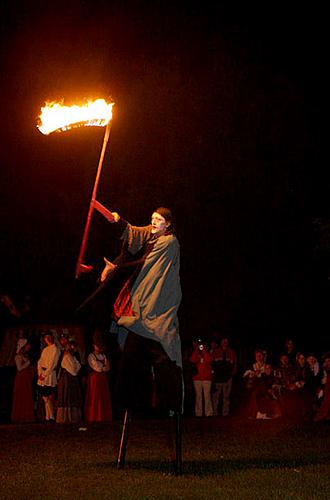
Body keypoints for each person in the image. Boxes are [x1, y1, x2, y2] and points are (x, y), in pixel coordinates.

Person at [101, 207, 183, 415]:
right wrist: (116, 219)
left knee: (163, 356)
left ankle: (172, 405)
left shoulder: (169, 242)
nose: (154, 222)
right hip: (141, 315)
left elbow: (145, 263)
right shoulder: (152, 237)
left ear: (169, 224)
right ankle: (129, 405)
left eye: (158, 219)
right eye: (152, 218)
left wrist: (116, 269)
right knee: (129, 358)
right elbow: (133, 233)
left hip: (158, 311)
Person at [84, 341, 112, 423]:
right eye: (97, 346)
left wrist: (103, 367)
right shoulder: (91, 356)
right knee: (95, 397)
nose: (99, 347)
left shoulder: (103, 355)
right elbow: (98, 368)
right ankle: (95, 416)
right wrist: (103, 367)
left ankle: (103, 416)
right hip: (95, 379)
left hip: (103, 379)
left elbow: (108, 368)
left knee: (103, 397)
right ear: (94, 346)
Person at [56, 340, 82, 424]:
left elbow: (78, 366)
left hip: (71, 380)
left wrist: (75, 366)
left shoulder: (72, 357)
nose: (74, 348)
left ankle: (72, 417)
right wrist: (75, 367)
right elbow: (74, 371)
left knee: (71, 397)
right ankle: (65, 417)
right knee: (66, 396)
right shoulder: (67, 357)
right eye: (73, 346)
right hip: (66, 380)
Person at [36, 332, 60, 423]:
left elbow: (52, 364)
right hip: (42, 374)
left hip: (49, 375)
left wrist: (44, 374)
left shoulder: (55, 349)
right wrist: (40, 373)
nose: (47, 339)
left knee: (47, 396)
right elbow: (40, 362)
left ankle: (50, 417)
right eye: (46, 337)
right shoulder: (45, 349)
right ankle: (49, 416)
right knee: (45, 397)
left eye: (49, 337)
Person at [210, 336, 237, 417]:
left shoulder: (232, 352)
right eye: (223, 341)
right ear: (221, 342)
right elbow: (211, 364)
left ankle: (225, 413)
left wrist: (232, 374)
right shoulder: (215, 352)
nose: (224, 342)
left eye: (226, 341)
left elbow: (235, 364)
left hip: (228, 378)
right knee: (216, 397)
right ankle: (214, 413)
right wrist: (213, 375)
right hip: (218, 378)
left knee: (226, 397)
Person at [11, 338, 35, 423]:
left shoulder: (25, 356)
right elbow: (19, 368)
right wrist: (28, 363)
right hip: (21, 379)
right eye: (27, 345)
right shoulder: (18, 356)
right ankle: (21, 416)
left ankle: (27, 416)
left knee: (27, 395)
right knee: (22, 395)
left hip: (26, 378)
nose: (29, 346)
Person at [190, 339, 213, 417]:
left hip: (207, 378)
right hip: (197, 378)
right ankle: (198, 413)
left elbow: (209, 359)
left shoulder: (209, 353)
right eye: (200, 346)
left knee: (207, 396)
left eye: (203, 346)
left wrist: (203, 351)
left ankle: (208, 413)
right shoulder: (195, 353)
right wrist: (196, 349)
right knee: (198, 396)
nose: (201, 347)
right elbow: (192, 360)